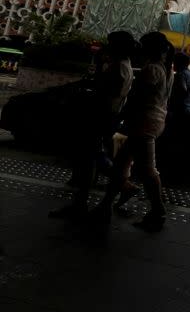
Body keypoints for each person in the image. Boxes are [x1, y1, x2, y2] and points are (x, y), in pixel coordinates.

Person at [90, 31, 173, 232]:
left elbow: (136, 98)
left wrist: (121, 118)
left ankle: (158, 212)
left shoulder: (152, 70)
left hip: (143, 124)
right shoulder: (164, 69)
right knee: (121, 165)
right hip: (150, 122)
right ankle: (105, 205)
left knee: (147, 170)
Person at [49, 31, 135, 220]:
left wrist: (98, 68)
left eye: (111, 43)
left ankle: (82, 202)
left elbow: (101, 91)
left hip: (100, 116)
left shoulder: (117, 67)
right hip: (108, 117)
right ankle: (122, 185)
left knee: (88, 159)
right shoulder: (124, 66)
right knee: (95, 156)